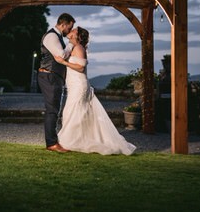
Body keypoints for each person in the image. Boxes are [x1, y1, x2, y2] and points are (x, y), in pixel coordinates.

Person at [54, 27, 136, 155]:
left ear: (78, 36)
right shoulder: (73, 48)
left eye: (74, 30)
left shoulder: (79, 48)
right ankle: (74, 139)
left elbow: (81, 68)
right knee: (72, 112)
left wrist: (63, 62)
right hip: (74, 85)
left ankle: (72, 141)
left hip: (79, 86)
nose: (71, 30)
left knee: (73, 112)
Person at [39, 13, 75, 152]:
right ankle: (52, 143)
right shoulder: (52, 36)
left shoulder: (57, 36)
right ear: (63, 24)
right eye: (69, 27)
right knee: (52, 110)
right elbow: (60, 55)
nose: (69, 31)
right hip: (49, 76)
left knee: (54, 109)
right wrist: (71, 44)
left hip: (54, 77)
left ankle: (53, 142)